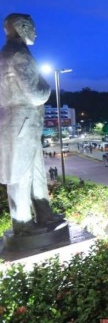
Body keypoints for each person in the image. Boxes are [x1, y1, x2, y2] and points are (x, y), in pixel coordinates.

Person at [0, 13, 64, 235]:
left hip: (20, 122)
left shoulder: (6, 53)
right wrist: (46, 85)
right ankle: (23, 224)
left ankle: (44, 214)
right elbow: (37, 95)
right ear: (22, 27)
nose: (36, 32)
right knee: (21, 173)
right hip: (22, 121)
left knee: (36, 171)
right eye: (33, 27)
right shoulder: (19, 55)